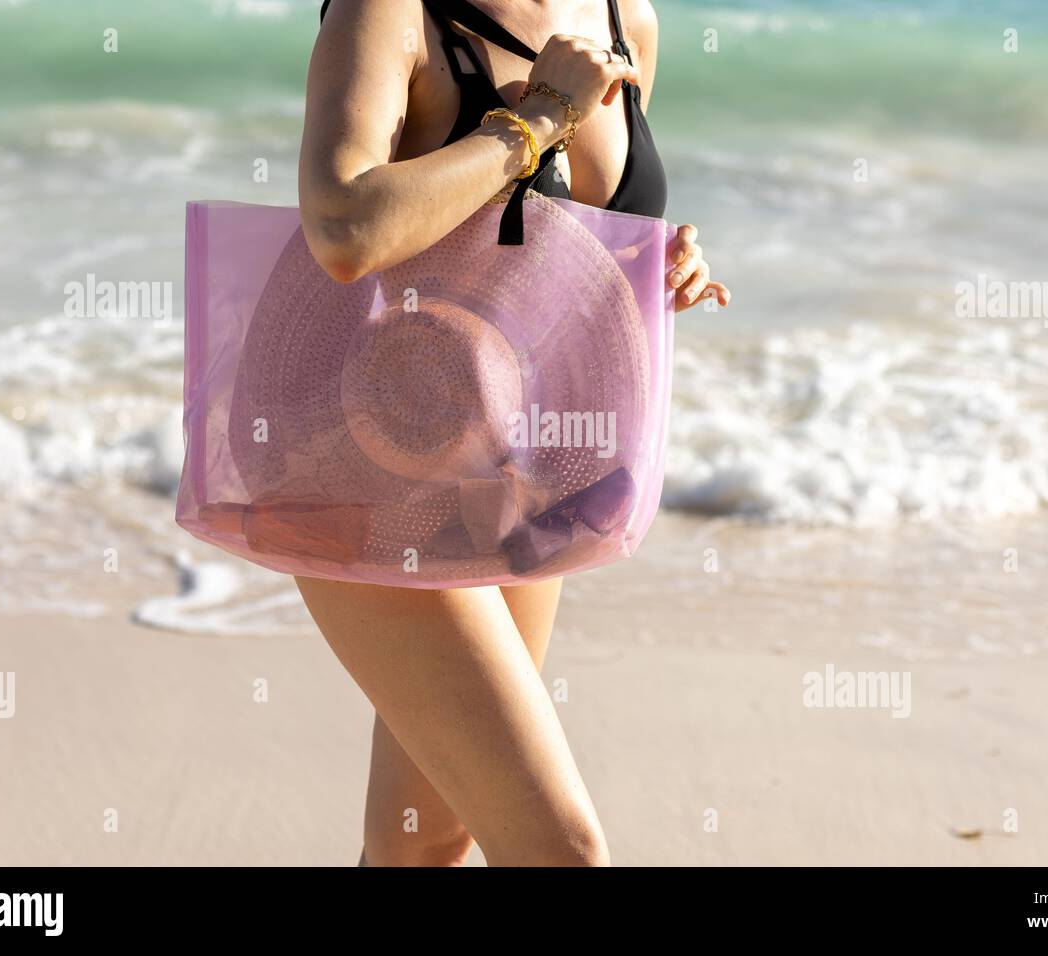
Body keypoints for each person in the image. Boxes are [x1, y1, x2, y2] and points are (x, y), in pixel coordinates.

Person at [297, 0, 730, 866]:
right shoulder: (391, 10)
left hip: (519, 473)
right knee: (561, 849)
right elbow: (343, 226)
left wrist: (667, 259)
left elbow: (564, 245)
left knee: (421, 847)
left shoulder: (623, 18)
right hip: (376, 460)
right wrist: (541, 116)